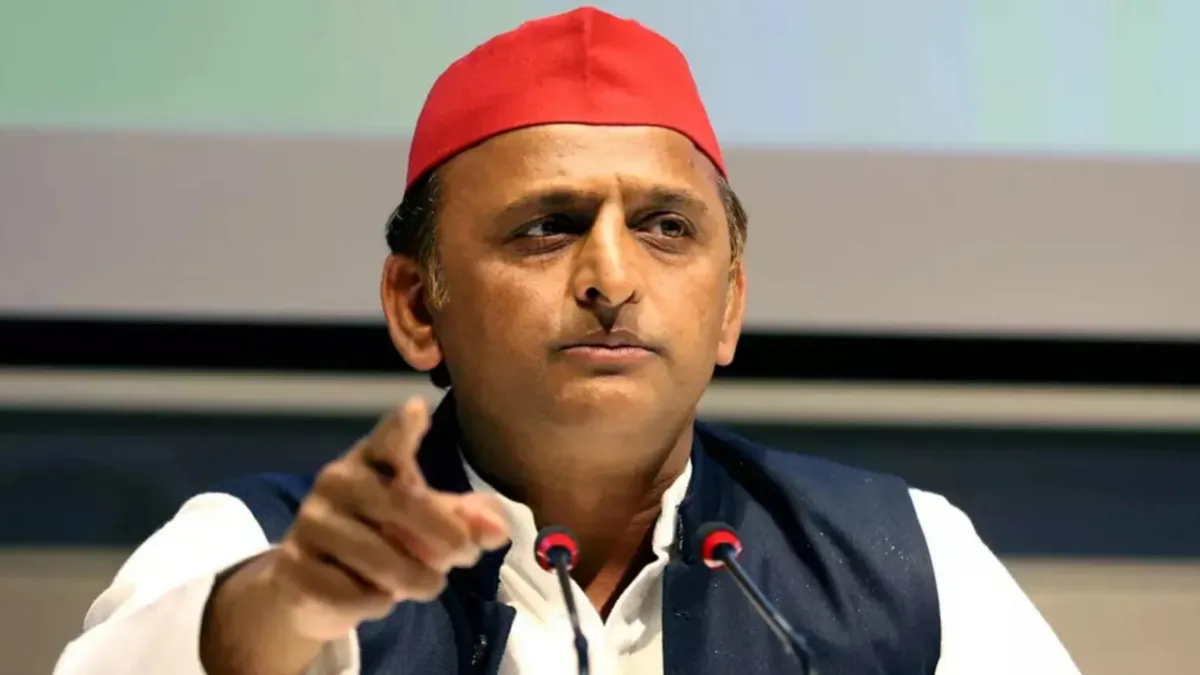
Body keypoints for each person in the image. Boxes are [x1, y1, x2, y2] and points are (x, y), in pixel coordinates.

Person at [52, 7, 1080, 675]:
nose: (612, 278)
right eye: (547, 227)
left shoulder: (901, 561)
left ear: (729, 305)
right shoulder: (258, 548)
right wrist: (279, 610)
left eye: (666, 227)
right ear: (416, 305)